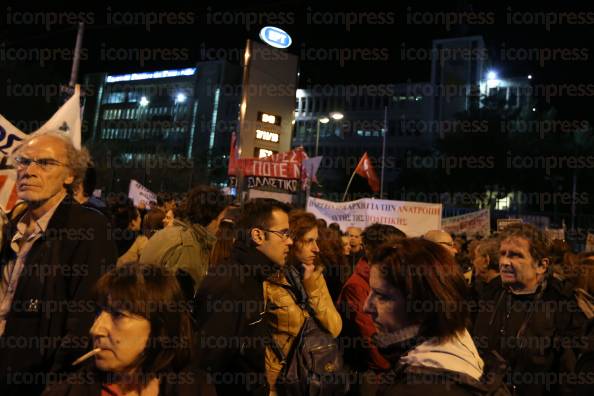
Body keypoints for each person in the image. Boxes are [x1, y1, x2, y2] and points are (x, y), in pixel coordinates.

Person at [0, 131, 118, 395]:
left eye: (45, 163)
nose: (29, 171)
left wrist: (56, 385)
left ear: (69, 176)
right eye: (23, 161)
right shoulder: (11, 228)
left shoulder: (89, 228)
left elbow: (85, 319)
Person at [42, 263, 216, 396]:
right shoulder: (67, 392)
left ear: (160, 327)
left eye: (117, 315)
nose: (95, 329)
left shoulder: (195, 389)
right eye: (98, 312)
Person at [363, 238, 508, 395]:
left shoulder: (420, 387)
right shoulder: (460, 349)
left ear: (424, 304)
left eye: (382, 296)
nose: (367, 306)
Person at [472, 223, 588, 396]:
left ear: (541, 265)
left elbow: (568, 379)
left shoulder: (562, 308)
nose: (504, 262)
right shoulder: (490, 293)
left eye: (516, 255)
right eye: (503, 254)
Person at [195, 198, 293, 396]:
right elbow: (206, 366)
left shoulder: (252, 277)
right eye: (283, 234)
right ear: (257, 235)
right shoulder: (229, 284)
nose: (290, 241)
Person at [264, 209, 342, 394]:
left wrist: (312, 290)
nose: (317, 248)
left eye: (316, 240)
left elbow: (335, 327)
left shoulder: (313, 276)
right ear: (291, 241)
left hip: (309, 378)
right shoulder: (269, 280)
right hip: (277, 382)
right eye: (309, 241)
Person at [337, 224, 405, 394]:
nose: (403, 256)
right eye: (396, 250)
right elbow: (369, 337)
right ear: (374, 250)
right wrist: (392, 368)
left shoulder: (390, 279)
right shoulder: (357, 286)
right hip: (372, 374)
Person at [139, 186, 228, 291]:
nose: (220, 227)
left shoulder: (174, 232)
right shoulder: (188, 247)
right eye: (221, 220)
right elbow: (179, 299)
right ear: (212, 217)